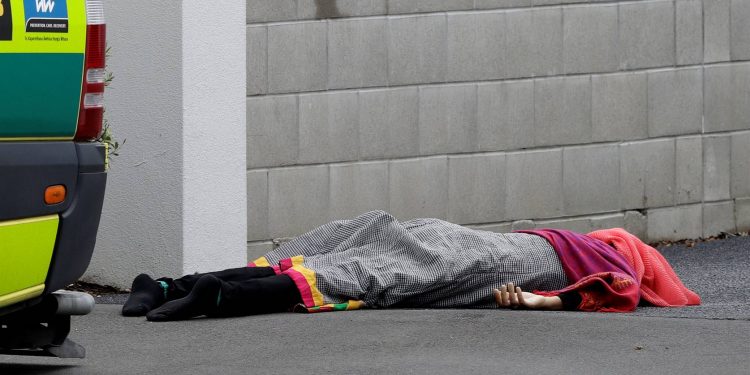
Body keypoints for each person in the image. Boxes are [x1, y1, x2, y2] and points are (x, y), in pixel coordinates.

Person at [122, 211, 700, 321]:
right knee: (390, 272)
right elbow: (613, 291)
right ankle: (218, 297)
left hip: (467, 237)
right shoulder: (612, 260)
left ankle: (178, 283)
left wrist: (539, 298)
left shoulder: (575, 241)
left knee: (369, 238)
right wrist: (539, 300)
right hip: (491, 258)